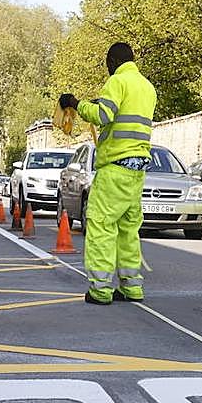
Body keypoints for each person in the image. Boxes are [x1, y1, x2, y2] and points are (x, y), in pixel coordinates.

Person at [59, 42, 157, 305]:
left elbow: (103, 115)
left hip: (114, 166)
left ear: (113, 61)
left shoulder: (117, 82)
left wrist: (75, 104)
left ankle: (101, 290)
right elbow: (122, 114)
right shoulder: (147, 87)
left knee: (102, 226)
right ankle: (131, 287)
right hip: (137, 170)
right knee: (128, 229)